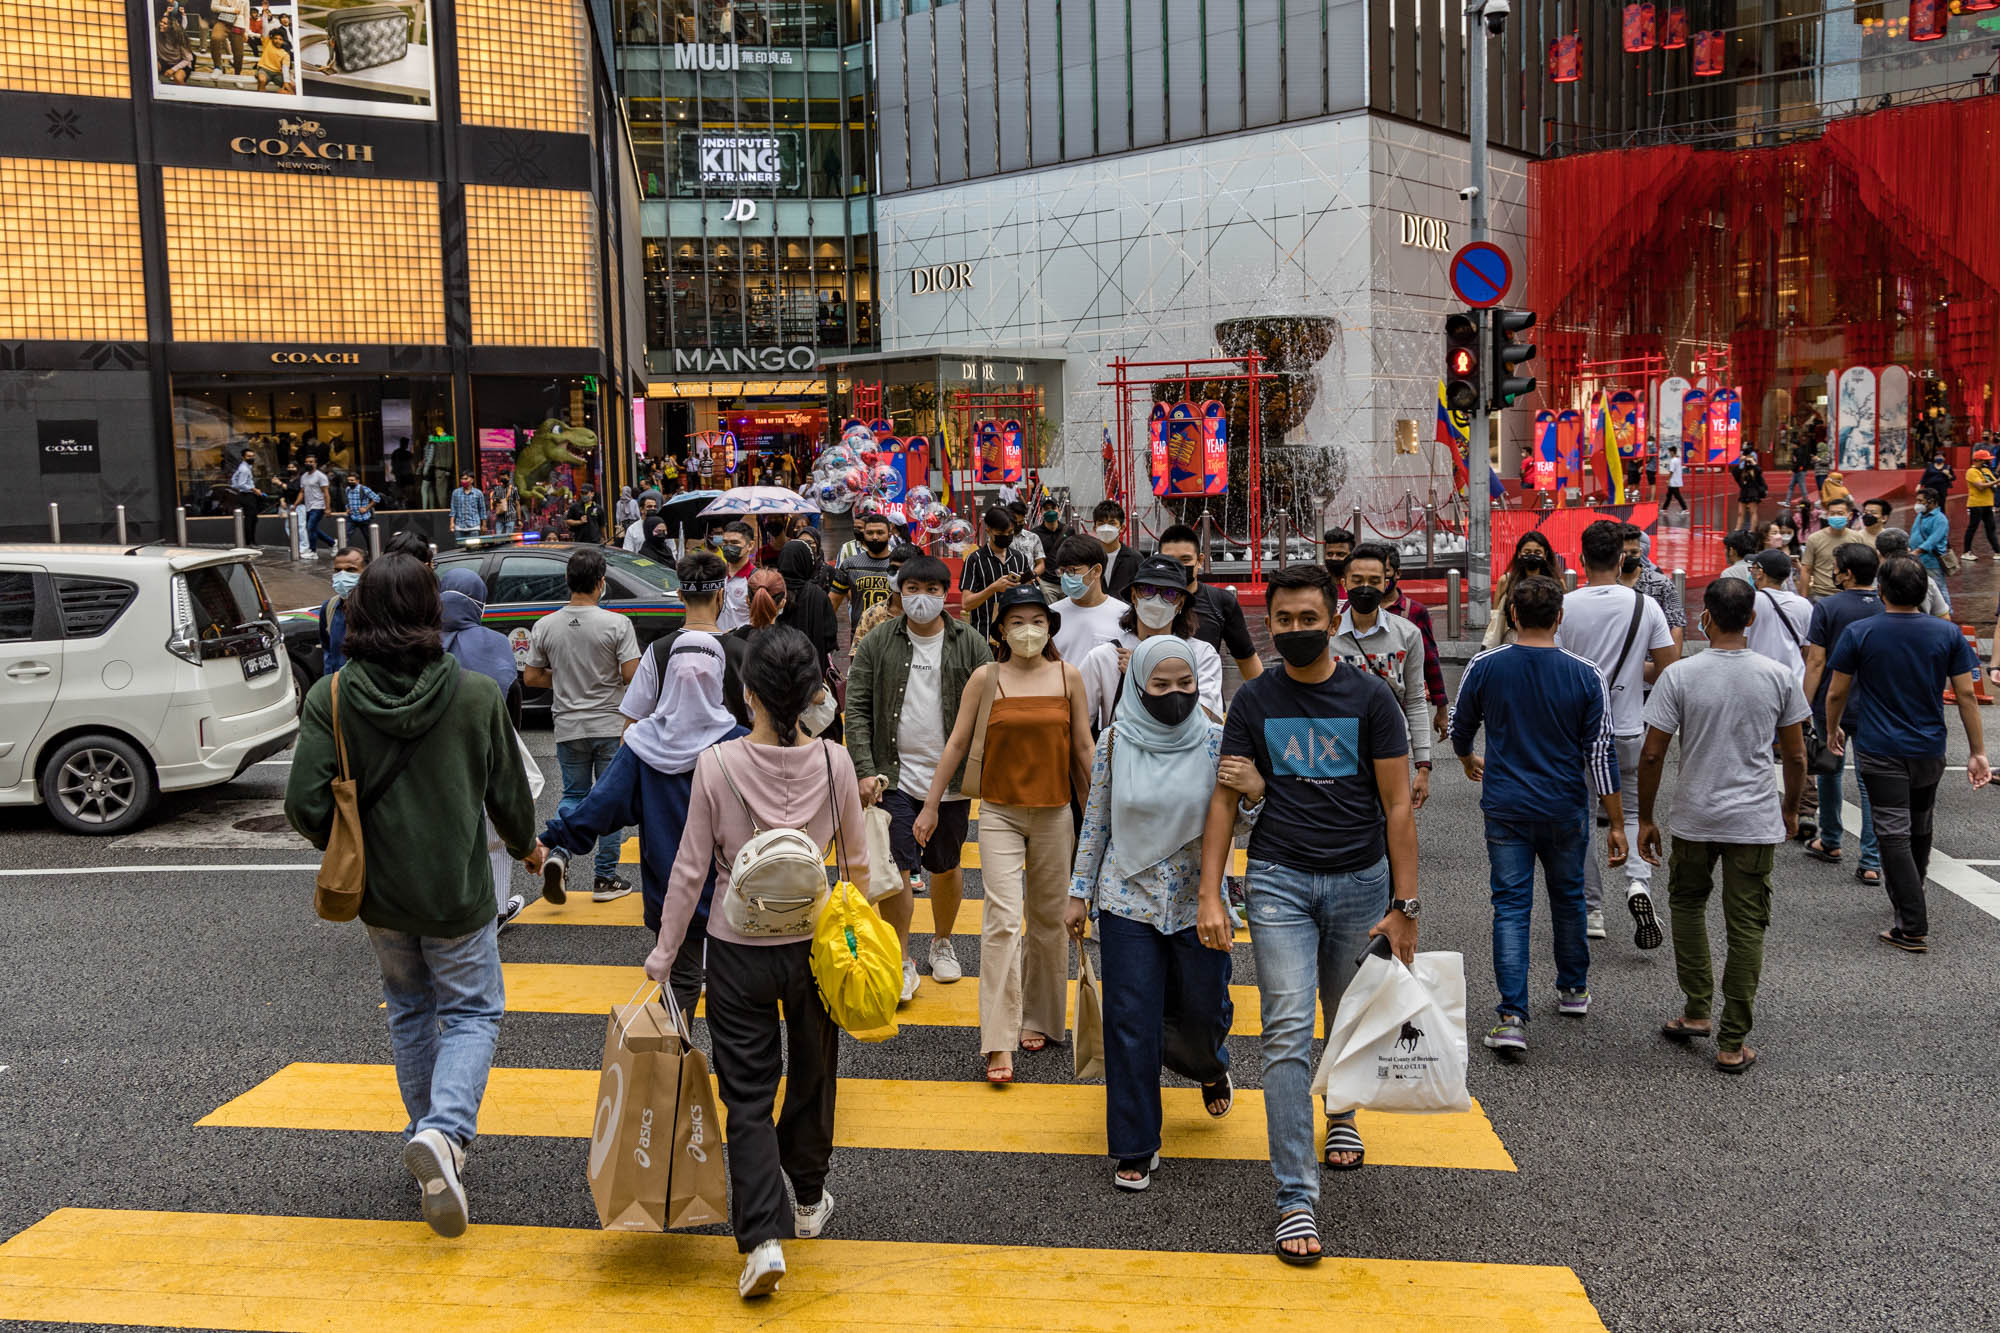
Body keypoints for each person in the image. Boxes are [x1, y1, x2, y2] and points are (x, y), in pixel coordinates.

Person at [284, 554, 536, 1240]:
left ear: (361, 611)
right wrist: (526, 847)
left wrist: (349, 836)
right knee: (475, 1010)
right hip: (457, 891)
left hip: (380, 896)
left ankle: (427, 1137)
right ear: (432, 610)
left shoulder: (332, 697)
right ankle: (446, 1135)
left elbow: (305, 804)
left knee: (410, 1008)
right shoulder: (477, 694)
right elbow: (509, 798)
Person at [1197, 563, 1417, 1265]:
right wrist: (1211, 891)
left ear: (1333, 618)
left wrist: (1405, 905)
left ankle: (1343, 1110)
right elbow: (1226, 800)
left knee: (1345, 1012)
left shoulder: (1371, 696)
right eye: (1282, 621)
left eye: (1307, 618)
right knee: (1289, 1028)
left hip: (1360, 880)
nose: (1295, 630)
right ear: (1271, 623)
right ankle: (1296, 1195)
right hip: (1279, 879)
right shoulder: (1254, 701)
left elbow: (1399, 805)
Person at [640, 628, 868, 1300]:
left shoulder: (716, 764)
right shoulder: (835, 762)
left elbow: (688, 870)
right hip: (816, 945)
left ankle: (762, 1237)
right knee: (814, 1070)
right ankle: (807, 1195)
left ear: (747, 695)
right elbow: (856, 865)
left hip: (737, 946)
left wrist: (663, 954)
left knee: (745, 1093)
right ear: (811, 698)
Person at [1067, 636, 1242, 1191]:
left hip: (1200, 900)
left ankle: (1209, 1063)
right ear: (1139, 688)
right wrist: (1080, 892)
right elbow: (1096, 821)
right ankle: (1136, 1142)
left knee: (1204, 1009)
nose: (1173, 695)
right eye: (1160, 686)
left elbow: (1250, 815)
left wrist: (1258, 792)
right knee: (1130, 1021)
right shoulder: (1116, 742)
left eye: (1184, 684)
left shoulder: (1217, 742)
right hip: (1127, 897)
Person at [918, 586, 1092, 1084]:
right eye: (1017, 622)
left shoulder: (1068, 677)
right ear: (1000, 630)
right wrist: (932, 804)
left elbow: (1083, 749)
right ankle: (998, 1039)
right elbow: (955, 742)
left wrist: (1102, 818)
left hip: (1056, 813)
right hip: (998, 814)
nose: (1028, 630)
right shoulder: (986, 677)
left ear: (1050, 628)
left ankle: (1041, 1019)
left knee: (1047, 920)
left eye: (1037, 620)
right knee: (999, 921)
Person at [1637, 578, 1809, 1073]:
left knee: (1688, 905)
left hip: (1696, 814)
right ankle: (1733, 1040)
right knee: (1747, 925)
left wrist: (1646, 817)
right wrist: (1791, 808)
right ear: (1751, 619)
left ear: (1705, 617)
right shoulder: (1777, 676)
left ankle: (1696, 1010)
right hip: (1753, 818)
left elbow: (1653, 753)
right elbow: (1795, 753)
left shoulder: (1681, 676)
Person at [1450, 574, 1624, 1054]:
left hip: (1505, 804)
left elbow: (1459, 724)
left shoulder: (1486, 665)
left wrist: (1467, 759)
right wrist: (1619, 822)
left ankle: (1511, 1016)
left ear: (1512, 616)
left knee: (1510, 906)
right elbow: (1600, 751)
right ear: (1560, 617)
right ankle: (1573, 988)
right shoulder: (1586, 673)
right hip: (1566, 805)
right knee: (1568, 896)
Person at [541, 629, 746, 1011]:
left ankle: (677, 1070)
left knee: (680, 987)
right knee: (734, 995)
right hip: (735, 894)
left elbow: (600, 804)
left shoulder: (642, 744)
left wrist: (553, 839)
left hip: (670, 894)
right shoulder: (740, 742)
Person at [1825, 555, 1992, 952]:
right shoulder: (1946, 633)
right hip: (1930, 747)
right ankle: (1910, 894)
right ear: (1923, 592)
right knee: (1919, 825)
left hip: (1880, 746)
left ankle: (1912, 921)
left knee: (1891, 832)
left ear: (1881, 590)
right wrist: (1978, 751)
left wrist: (1832, 729)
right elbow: (1967, 694)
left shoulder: (1860, 632)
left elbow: (1836, 690)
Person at [847, 553, 993, 997]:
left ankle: (943, 942)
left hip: (949, 781)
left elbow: (989, 711)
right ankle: (902, 956)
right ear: (900, 591)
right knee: (896, 866)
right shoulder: (878, 642)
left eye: (932, 591)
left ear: (944, 594)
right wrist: (864, 770)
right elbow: (856, 707)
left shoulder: (970, 643)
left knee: (946, 866)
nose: (922, 599)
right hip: (891, 776)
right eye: (912, 590)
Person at [1555, 520, 1679, 946]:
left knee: (1583, 819)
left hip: (1577, 732)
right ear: (1623, 559)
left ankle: (1592, 911)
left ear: (1582, 560)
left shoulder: (1566, 606)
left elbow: (1554, 665)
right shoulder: (1646, 607)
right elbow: (1667, 666)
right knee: (1632, 813)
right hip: (1629, 726)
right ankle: (1639, 884)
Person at [524, 548, 639, 902]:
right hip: (609, 722)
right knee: (609, 800)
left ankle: (559, 852)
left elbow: (531, 676)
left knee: (573, 795)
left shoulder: (545, 625)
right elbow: (631, 675)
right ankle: (605, 879)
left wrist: (563, 680)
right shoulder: (617, 624)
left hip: (568, 724)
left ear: (567, 581)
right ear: (601, 583)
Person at [439, 567, 530, 930]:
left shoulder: (419, 641)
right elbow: (512, 699)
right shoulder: (494, 642)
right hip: (486, 751)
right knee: (495, 830)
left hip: (434, 761)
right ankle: (496, 909)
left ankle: (449, 904)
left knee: (447, 832)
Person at [1327, 542, 1432, 808]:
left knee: (1392, 817)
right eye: (1358, 580)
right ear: (1344, 582)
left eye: (1374, 580)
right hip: (1336, 746)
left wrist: (1423, 765)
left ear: (1386, 583)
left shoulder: (1407, 633)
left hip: (1392, 745)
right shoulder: (1327, 634)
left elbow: (1416, 699)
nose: (1366, 587)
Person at [1801, 541, 1883, 881]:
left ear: (1846, 573)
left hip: (1830, 701)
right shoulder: (1886, 606)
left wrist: (1803, 704)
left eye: (1836, 567)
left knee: (1829, 769)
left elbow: (1816, 661)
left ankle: (1831, 839)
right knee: (1869, 780)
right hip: (1874, 703)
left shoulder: (1827, 607)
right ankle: (1872, 860)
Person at [1078, 555, 1223, 731]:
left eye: (1169, 594)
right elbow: (1080, 728)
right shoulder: (1105, 656)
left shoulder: (1201, 655)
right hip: (1123, 756)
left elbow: (1202, 719)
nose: (1156, 600)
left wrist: (1141, 670)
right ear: (1133, 596)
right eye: (1147, 590)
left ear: (1180, 604)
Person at [623, 552, 749, 734]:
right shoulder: (742, 652)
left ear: (680, 595)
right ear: (721, 595)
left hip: (668, 760)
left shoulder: (657, 651)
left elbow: (633, 720)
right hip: (729, 759)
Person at [1155, 524, 1263, 680]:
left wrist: (1263, 700)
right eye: (1170, 560)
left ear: (1199, 561)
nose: (1178, 566)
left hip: (1208, 698)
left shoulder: (1221, 601)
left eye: (1185, 560)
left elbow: (1246, 658)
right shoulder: (1147, 600)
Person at [1378, 546, 1447, 732]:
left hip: (1403, 707)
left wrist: (1441, 708)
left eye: (1385, 572)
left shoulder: (1415, 611)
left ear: (1397, 573)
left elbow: (1430, 660)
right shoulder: (1354, 610)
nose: (1378, 579)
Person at [958, 506, 1037, 641]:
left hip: (1015, 635)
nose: (1006, 536)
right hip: (984, 634)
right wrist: (993, 588)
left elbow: (1030, 592)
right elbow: (966, 603)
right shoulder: (975, 560)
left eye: (1010, 532)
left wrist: (1026, 586)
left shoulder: (1020, 558)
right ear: (988, 531)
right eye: (1001, 533)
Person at [1050, 533, 1130, 666]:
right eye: (1062, 571)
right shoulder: (1051, 614)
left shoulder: (1124, 615)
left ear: (1096, 570)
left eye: (1072, 571)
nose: (1065, 577)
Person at [1745, 548, 1811, 689]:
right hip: (1794, 681)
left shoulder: (1748, 602)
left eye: (1754, 568)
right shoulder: (1804, 605)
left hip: (1757, 682)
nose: (1752, 572)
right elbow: (1808, 651)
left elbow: (1741, 642)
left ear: (1760, 573)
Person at [775, 539, 839, 683]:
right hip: (811, 676)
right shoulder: (818, 595)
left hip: (776, 672)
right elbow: (830, 636)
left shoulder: (772, 592)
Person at [1483, 531, 1559, 649]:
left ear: (1545, 555)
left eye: (1537, 552)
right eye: (1527, 552)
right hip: (1513, 640)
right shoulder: (1505, 581)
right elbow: (1497, 616)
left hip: (1547, 641)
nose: (1532, 555)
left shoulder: (1556, 583)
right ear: (1519, 553)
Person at [1621, 524, 1687, 652]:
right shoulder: (1607, 583)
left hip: (1652, 662)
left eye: (1633, 552)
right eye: (1623, 552)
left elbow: (1676, 624)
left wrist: (1670, 664)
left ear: (1641, 552)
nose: (1628, 556)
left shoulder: (1662, 583)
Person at [830, 512, 897, 634]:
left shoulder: (899, 565)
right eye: (870, 533)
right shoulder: (850, 564)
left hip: (892, 634)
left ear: (889, 535)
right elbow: (833, 601)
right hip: (860, 634)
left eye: (880, 532)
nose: (875, 537)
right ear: (864, 534)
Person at [1872, 528, 1952, 618]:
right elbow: (1944, 617)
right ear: (1908, 550)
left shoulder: (1872, 583)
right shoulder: (1926, 581)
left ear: (1878, 553)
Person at [1799, 497, 1866, 598]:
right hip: (1821, 595)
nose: (1836, 517)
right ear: (1827, 515)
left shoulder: (1857, 538)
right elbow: (1806, 570)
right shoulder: (1814, 539)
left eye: (1840, 513)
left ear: (1850, 515)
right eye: (1832, 514)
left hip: (1849, 594)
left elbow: (1861, 568)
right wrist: (1803, 599)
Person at [318, 545, 368, 676]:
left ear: (366, 572)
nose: (343, 575)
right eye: (338, 570)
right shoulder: (329, 608)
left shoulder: (376, 609)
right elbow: (328, 650)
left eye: (351, 570)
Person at [1909, 489, 1950, 608]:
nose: (1917, 504)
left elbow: (1933, 540)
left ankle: (1947, 612)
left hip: (1932, 561)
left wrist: (1917, 551)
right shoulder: (1921, 516)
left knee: (1939, 587)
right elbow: (1914, 532)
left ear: (1931, 501)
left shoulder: (1940, 519)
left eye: (1920, 501)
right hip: (1918, 560)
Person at [1093, 500, 1141, 598]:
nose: (1106, 528)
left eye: (1112, 523)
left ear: (1122, 528)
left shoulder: (1134, 559)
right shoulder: (1089, 559)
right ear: (1095, 528)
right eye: (1101, 523)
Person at [717, 520, 757, 632]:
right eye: (725, 543)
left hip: (743, 644)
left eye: (734, 543)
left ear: (750, 545)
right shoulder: (717, 575)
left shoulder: (755, 580)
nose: (729, 547)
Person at [1965, 450, 1999, 559]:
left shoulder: (1986, 471)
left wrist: (1996, 482)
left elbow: (1996, 484)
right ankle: (1966, 552)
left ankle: (1997, 551)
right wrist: (1996, 482)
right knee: (1972, 527)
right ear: (1978, 460)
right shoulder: (1971, 472)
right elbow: (1980, 486)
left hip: (1988, 503)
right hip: (1976, 504)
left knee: (1991, 528)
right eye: (1985, 460)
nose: (1988, 463)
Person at [299, 455, 333, 554]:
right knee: (312, 528)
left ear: (315, 463)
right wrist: (296, 505)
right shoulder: (304, 476)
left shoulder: (321, 476)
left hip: (319, 506)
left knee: (310, 527)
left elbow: (326, 493)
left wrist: (327, 508)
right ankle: (332, 542)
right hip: (308, 506)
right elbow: (302, 491)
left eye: (311, 462)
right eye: (307, 462)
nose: (308, 464)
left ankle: (312, 551)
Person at [340, 470, 381, 546]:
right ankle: (344, 555)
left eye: (352, 480)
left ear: (357, 481)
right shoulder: (348, 489)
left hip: (364, 518)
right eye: (348, 480)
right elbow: (347, 500)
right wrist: (347, 508)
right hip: (352, 518)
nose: (350, 482)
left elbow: (377, 498)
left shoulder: (364, 489)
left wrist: (366, 508)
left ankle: (372, 554)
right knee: (345, 536)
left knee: (369, 538)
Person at [1006, 500, 1047, 576]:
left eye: (1021, 522)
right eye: (1015, 522)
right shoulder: (1002, 538)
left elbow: (1041, 563)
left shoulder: (1033, 537)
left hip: (1029, 581)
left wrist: (1032, 574)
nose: (1018, 524)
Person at [1731, 447, 1767, 532]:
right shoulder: (1742, 470)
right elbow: (1734, 473)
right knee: (1740, 513)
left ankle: (1752, 530)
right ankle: (1737, 529)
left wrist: (1753, 462)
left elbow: (1759, 471)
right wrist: (1740, 461)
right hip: (1744, 492)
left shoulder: (1755, 470)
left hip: (1753, 492)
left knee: (1752, 512)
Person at [449, 473, 487, 545]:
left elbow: (482, 510)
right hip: (459, 527)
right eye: (462, 479)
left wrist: (484, 525)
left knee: (474, 549)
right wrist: (451, 523)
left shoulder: (478, 493)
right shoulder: (456, 493)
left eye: (466, 479)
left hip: (474, 527)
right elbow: (453, 509)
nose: (463, 481)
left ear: (472, 480)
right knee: (460, 550)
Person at [1662, 441, 1686, 513]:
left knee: (1677, 496)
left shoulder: (1673, 461)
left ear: (1672, 452)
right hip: (1676, 480)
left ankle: (1685, 508)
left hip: (1673, 481)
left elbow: (1671, 471)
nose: (1669, 453)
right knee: (1669, 495)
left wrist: (1668, 479)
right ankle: (1664, 508)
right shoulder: (1678, 459)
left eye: (1669, 452)